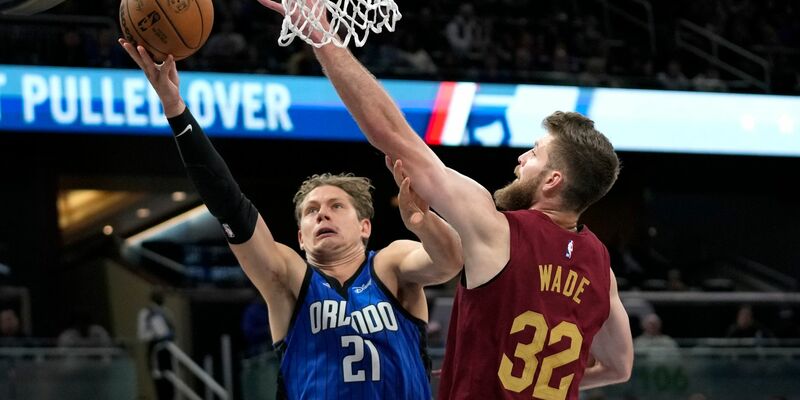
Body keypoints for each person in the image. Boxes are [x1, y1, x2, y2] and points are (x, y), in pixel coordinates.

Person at [256, 2, 633, 397]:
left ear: (553, 180)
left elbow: (391, 133)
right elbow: (618, 367)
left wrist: (322, 35)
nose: (521, 159)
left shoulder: (499, 230)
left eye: (535, 154)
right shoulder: (600, 269)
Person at [118, 39, 463, 399]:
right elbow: (230, 205)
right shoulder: (289, 279)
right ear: (300, 237)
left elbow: (450, 262)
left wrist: (424, 222)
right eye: (311, 211)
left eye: (336, 206)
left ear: (365, 227)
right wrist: (176, 109)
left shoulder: (391, 265)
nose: (322, 214)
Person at [138, 290, 176, 400]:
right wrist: (156, 336)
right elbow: (142, 336)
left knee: (170, 382)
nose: (161, 298)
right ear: (153, 298)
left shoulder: (167, 312)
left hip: (168, 349)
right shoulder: (146, 313)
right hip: (155, 349)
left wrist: (169, 335)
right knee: (159, 382)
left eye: (162, 296)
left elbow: (173, 331)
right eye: (159, 296)